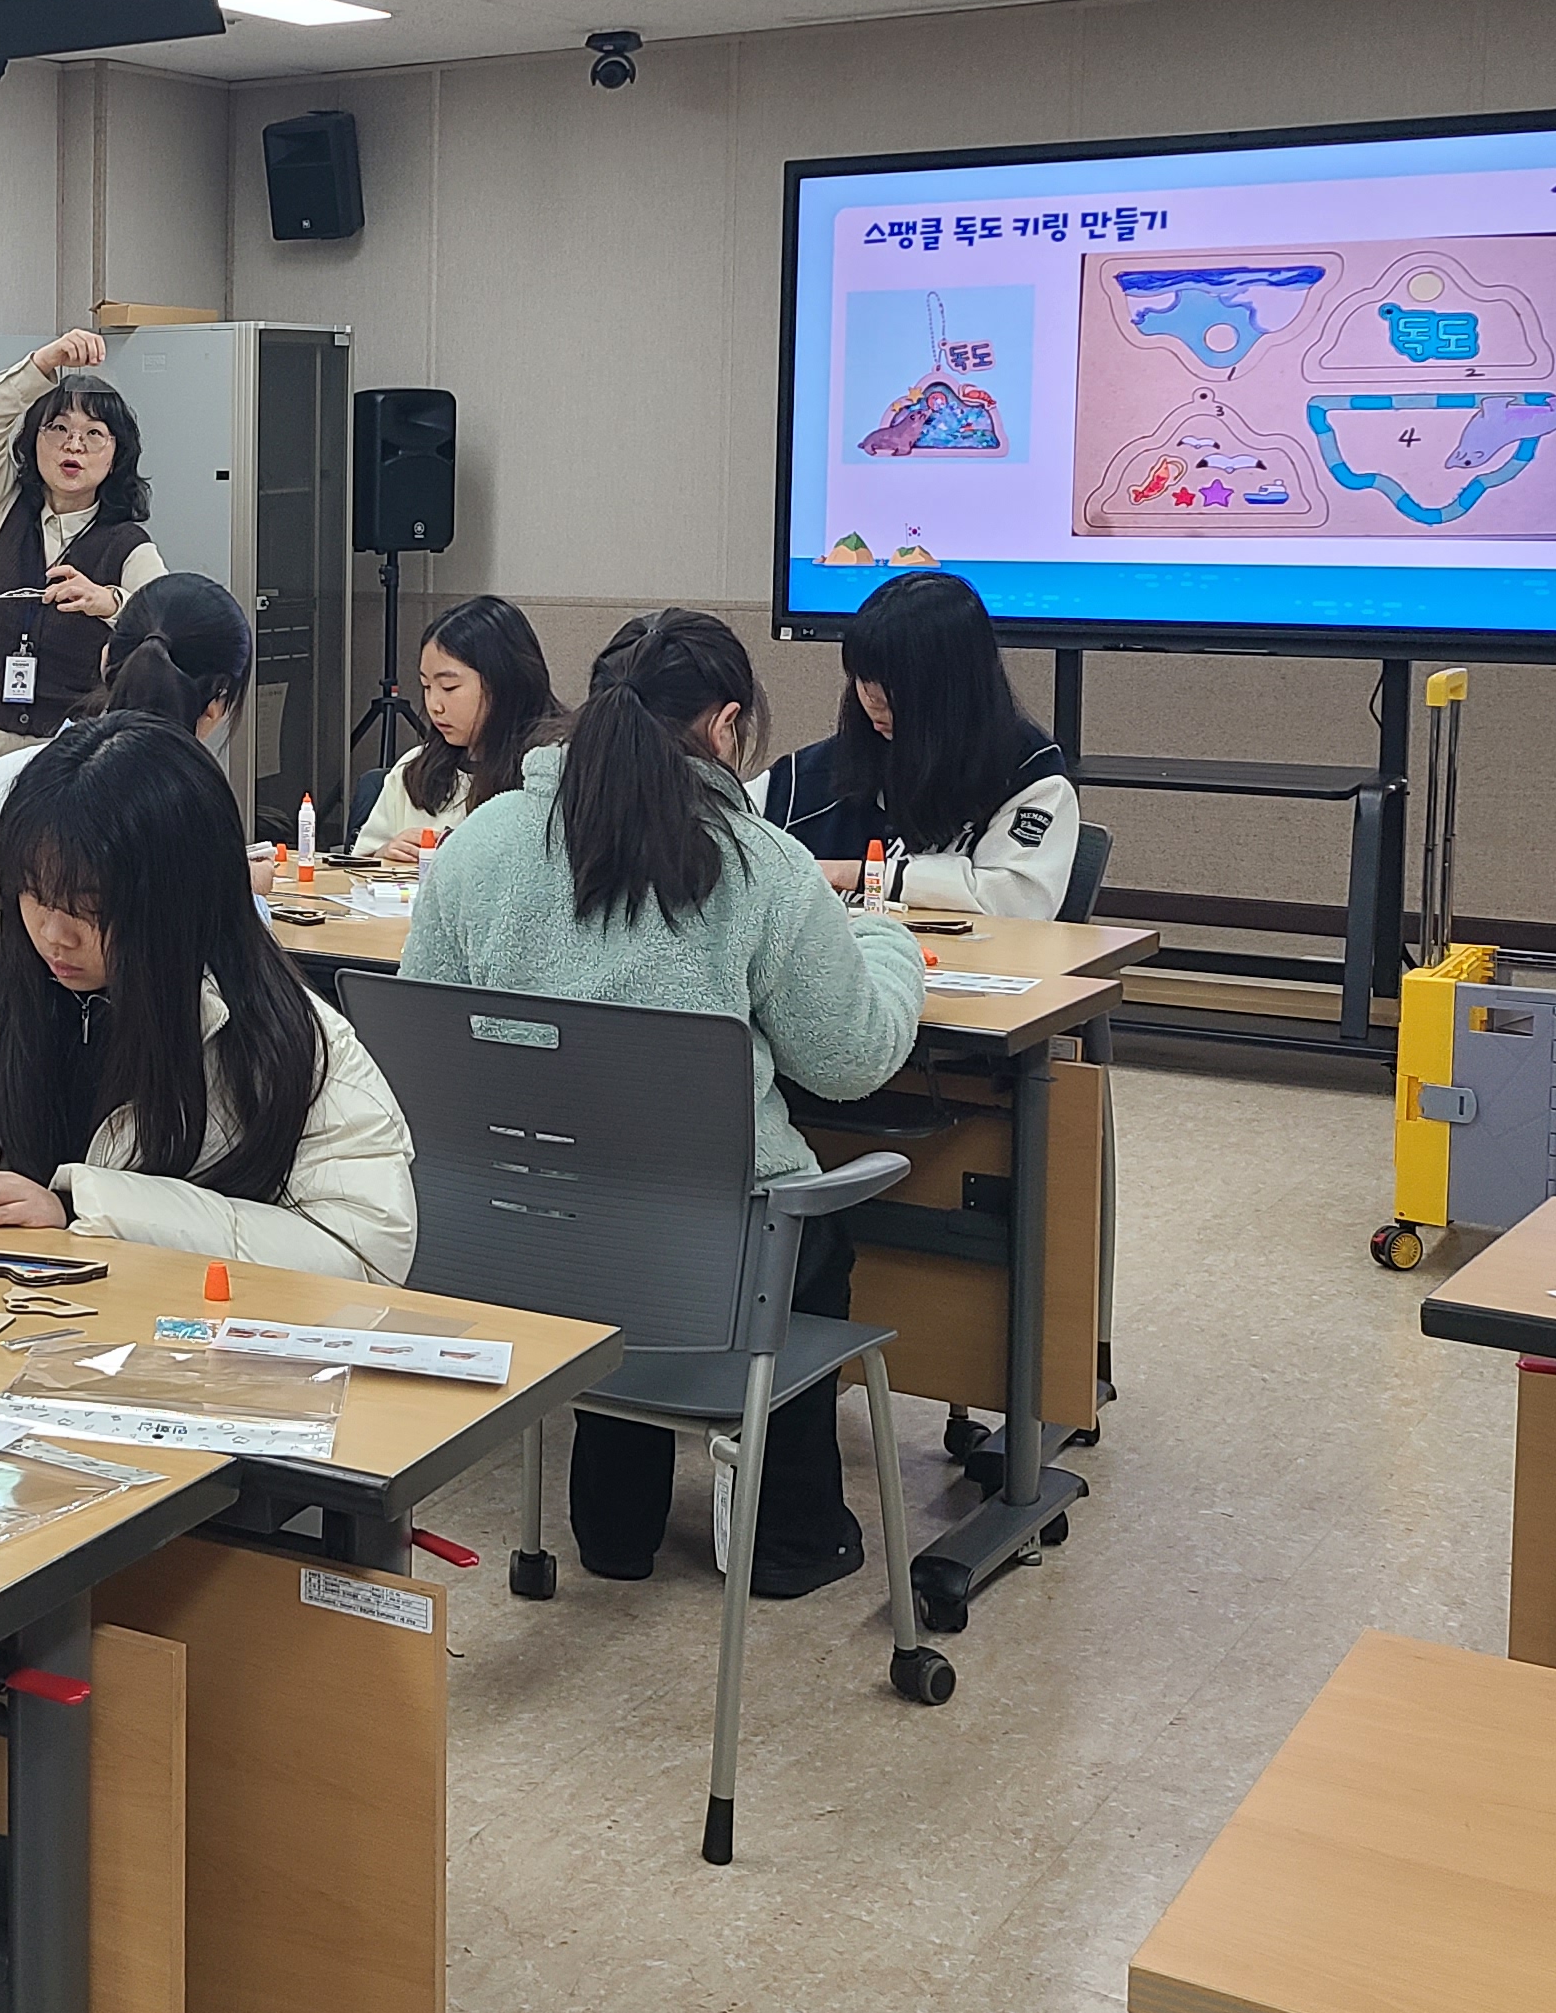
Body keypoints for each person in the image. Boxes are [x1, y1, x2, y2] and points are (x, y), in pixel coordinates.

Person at [401, 608, 926, 1597]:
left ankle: (614, 1527)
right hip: (721, 1257)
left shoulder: (483, 842)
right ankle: (791, 1536)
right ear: (725, 727)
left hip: (529, 1232)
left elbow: (435, 1043)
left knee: (606, 1186)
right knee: (796, 1225)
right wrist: (885, 942)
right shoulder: (758, 863)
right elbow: (850, 1059)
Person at [0, 714, 415, 1279]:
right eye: (33, 895)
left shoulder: (283, 1036)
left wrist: (82, 1207)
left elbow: (363, 1247)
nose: (53, 936)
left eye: (90, 910)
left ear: (179, 903)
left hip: (166, 1376)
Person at [0, 331, 167, 860]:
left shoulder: (128, 543)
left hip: (72, 747)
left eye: (94, 434)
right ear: (33, 442)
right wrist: (44, 364)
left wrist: (110, 602)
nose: (73, 445)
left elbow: (167, 623)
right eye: (58, 429)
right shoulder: (1, 507)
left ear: (118, 456)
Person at [763, 570, 1083, 919]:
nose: (871, 699)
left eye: (892, 684)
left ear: (953, 688)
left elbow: (1015, 902)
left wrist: (858, 875)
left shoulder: (1029, 778)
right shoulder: (802, 779)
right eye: (862, 678)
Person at [0, 571, 251, 878]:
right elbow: (215, 922)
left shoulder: (7, 777)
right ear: (216, 707)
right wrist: (244, 890)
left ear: (105, 658)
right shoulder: (192, 803)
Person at [349, 594, 564, 861]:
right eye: (426, 686)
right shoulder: (414, 768)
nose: (434, 705)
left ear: (504, 681)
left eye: (449, 687)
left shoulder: (553, 769)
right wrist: (383, 854)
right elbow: (355, 869)